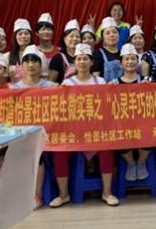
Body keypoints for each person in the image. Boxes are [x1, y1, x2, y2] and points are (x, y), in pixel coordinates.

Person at [51, 43, 119, 207]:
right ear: (74, 62)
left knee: (106, 149)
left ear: (91, 62)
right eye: (79, 59)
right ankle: (63, 194)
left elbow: (107, 107)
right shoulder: (67, 83)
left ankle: (107, 192)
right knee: (59, 153)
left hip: (96, 130)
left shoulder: (100, 81)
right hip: (73, 131)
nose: (82, 62)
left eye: (85, 59)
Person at [10, 45, 57, 210]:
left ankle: (36, 195)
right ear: (22, 66)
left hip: (46, 133)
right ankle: (18, 194)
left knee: (38, 152)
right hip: (21, 134)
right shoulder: (13, 89)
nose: (31, 65)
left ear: (41, 64)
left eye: (34, 61)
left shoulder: (52, 87)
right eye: (27, 61)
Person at [113, 43, 150, 181]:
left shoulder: (145, 82)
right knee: (118, 134)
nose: (130, 62)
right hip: (123, 124)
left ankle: (141, 161)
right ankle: (130, 163)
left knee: (151, 132)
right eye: (126, 59)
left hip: (142, 123)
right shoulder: (114, 83)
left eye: (133, 58)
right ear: (121, 63)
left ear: (137, 61)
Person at [48, 19, 81, 84]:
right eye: (71, 36)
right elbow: (51, 82)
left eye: (77, 37)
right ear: (64, 39)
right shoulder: (57, 58)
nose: (75, 39)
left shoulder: (84, 57)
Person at [92, 17, 123, 83]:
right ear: (103, 37)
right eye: (107, 33)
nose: (111, 35)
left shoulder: (124, 54)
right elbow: (95, 81)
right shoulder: (97, 54)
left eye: (114, 32)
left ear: (119, 35)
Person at [5, 18, 33, 84]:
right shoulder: (7, 56)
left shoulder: (40, 54)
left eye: (26, 33)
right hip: (14, 89)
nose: (23, 36)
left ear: (30, 36)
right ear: (15, 37)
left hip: (34, 89)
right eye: (20, 34)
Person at [35, 13, 60, 78]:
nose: (46, 32)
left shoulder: (60, 51)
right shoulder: (33, 51)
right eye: (43, 29)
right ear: (37, 33)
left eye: (49, 29)